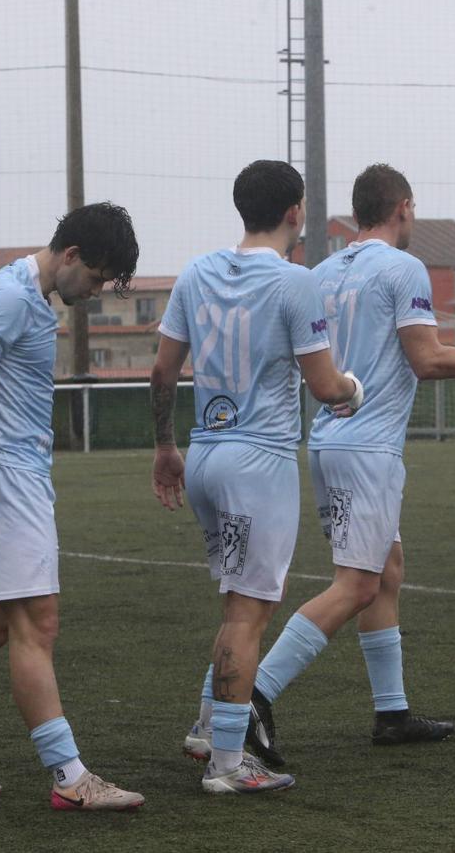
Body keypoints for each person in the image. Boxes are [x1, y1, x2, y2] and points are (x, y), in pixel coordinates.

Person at [232, 164, 455, 769]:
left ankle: (391, 713)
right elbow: (428, 360)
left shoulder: (322, 270)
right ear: (405, 208)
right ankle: (250, 697)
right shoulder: (403, 268)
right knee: (357, 585)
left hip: (330, 438)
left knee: (386, 569)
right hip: (368, 449)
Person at [0, 203, 144, 810]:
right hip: (4, 480)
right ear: (69, 256)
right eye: (92, 278)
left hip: (16, 476)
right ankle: (70, 778)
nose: (90, 293)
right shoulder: (9, 295)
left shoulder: (33, 297)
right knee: (38, 623)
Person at [151, 160, 363, 794]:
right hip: (258, 463)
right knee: (249, 614)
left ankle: (208, 727)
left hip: (205, 456)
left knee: (235, 606)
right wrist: (354, 388)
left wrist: (164, 446)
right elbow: (326, 387)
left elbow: (163, 374)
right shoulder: (296, 283)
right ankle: (227, 765)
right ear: (295, 212)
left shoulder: (197, 272)